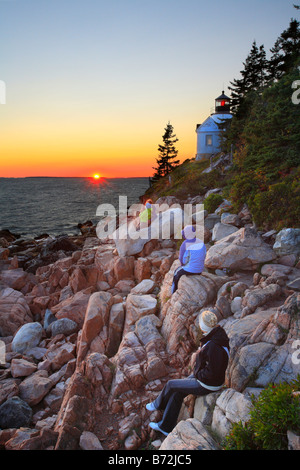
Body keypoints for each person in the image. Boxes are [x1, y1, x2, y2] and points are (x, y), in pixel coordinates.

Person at [146, 310, 230, 436]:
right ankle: (165, 426)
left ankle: (158, 405)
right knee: (178, 392)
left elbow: (212, 372)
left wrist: (198, 374)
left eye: (201, 323)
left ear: (204, 326)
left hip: (208, 384)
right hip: (207, 379)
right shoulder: (217, 334)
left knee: (171, 384)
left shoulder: (213, 346)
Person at [171, 225, 206, 294]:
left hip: (190, 270)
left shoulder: (185, 244)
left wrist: (183, 265)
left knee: (176, 273)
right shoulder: (201, 242)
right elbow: (204, 255)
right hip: (200, 270)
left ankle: (173, 293)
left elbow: (182, 260)